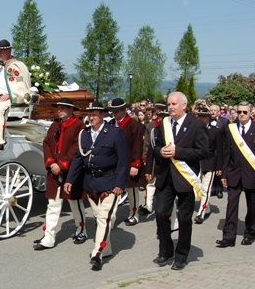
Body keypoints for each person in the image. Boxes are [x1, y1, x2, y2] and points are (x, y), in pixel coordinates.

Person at [64, 101, 127, 271]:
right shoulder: (84, 134)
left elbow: (123, 161)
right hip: (91, 182)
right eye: (89, 114)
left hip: (110, 181)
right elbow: (78, 158)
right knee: (99, 216)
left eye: (95, 114)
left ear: (103, 115)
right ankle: (106, 249)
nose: (91, 117)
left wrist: (120, 184)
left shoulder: (115, 133)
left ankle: (97, 252)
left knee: (103, 217)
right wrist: (70, 179)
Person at [152, 91, 210, 271]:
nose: (170, 107)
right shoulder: (163, 124)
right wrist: (160, 152)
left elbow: (203, 152)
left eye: (174, 104)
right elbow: (156, 147)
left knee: (184, 218)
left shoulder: (196, 125)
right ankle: (166, 250)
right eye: (169, 104)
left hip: (185, 178)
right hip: (166, 177)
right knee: (161, 213)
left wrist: (179, 152)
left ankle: (181, 255)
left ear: (184, 106)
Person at [34, 98, 87, 250]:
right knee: (53, 203)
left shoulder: (79, 126)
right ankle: (49, 236)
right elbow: (46, 143)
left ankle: (81, 229)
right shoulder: (54, 125)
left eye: (64, 108)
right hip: (54, 170)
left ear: (71, 110)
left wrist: (62, 164)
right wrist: (51, 162)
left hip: (71, 171)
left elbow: (77, 147)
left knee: (74, 202)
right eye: (59, 108)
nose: (60, 110)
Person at [216, 102, 255, 248]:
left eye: (244, 112)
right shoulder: (231, 129)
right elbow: (226, 152)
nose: (241, 115)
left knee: (252, 206)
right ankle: (228, 237)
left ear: (251, 113)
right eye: (239, 112)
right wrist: (224, 173)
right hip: (234, 173)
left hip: (252, 174)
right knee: (231, 205)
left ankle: (249, 233)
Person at [108, 97, 145, 226]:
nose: (114, 113)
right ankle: (109, 219)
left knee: (132, 190)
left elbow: (137, 145)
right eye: (113, 111)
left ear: (124, 110)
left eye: (117, 111)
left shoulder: (133, 125)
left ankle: (134, 214)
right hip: (114, 163)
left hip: (129, 161)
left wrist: (136, 164)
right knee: (112, 191)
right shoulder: (111, 124)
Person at [192, 100, 223, 224]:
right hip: (196, 163)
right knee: (198, 189)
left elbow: (220, 150)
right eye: (199, 116)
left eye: (203, 116)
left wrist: (220, 167)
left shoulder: (216, 131)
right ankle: (207, 207)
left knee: (206, 188)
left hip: (210, 162)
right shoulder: (194, 129)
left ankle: (202, 212)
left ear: (209, 117)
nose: (201, 118)